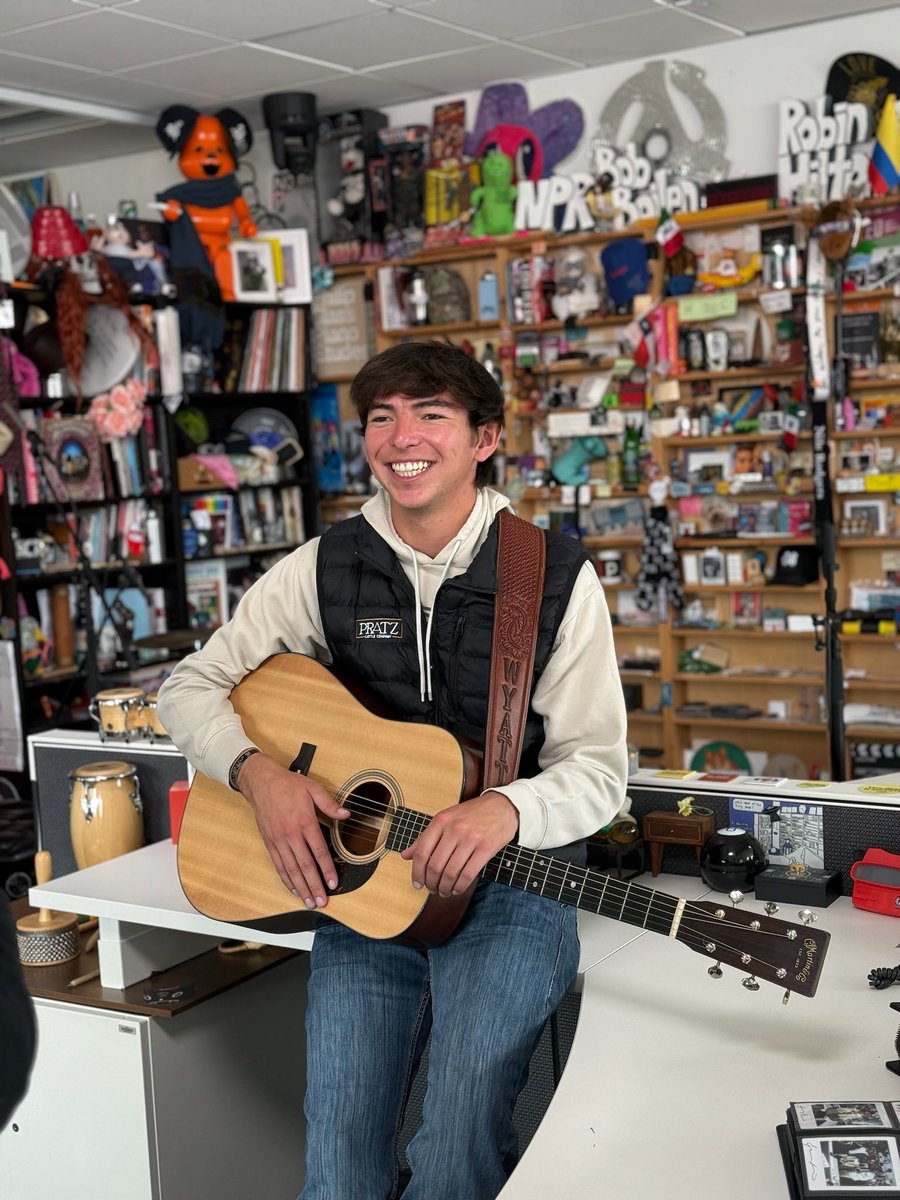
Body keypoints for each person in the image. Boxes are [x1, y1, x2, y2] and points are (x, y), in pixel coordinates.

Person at [157, 341, 628, 1200]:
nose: (400, 436)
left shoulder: (553, 577)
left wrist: (508, 810)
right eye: (382, 417)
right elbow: (189, 686)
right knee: (337, 1149)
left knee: (460, 1126)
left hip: (512, 884)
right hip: (365, 883)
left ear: (485, 439)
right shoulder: (327, 564)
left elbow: (597, 770)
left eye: (431, 414)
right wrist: (259, 776)